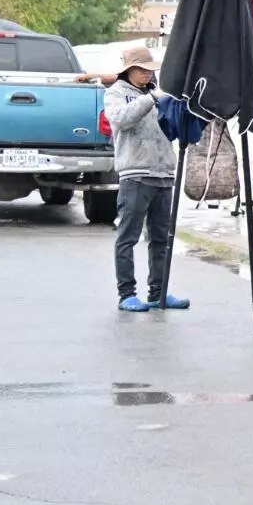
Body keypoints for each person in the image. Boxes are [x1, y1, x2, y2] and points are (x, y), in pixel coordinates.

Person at [104, 46, 190, 312]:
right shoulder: (116, 94)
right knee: (128, 237)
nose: (147, 74)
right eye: (142, 69)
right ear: (129, 69)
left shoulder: (159, 93)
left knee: (161, 238)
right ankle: (126, 293)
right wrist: (151, 99)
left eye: (150, 69)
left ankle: (158, 291)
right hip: (135, 175)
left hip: (163, 173)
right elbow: (121, 120)